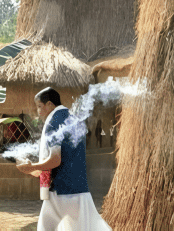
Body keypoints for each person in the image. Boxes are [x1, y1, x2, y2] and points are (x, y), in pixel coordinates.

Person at [16, 87, 109, 231]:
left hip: (61, 192)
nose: (39, 112)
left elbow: (55, 159)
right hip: (80, 191)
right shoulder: (74, 119)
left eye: (40, 106)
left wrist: (32, 167)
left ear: (50, 105)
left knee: (45, 228)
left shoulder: (53, 121)